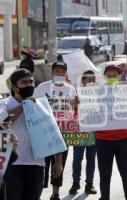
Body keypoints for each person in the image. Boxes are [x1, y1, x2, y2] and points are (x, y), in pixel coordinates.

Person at [3, 69, 63, 200]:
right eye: (24, 82)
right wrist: (24, 105)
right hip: (12, 166)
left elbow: (53, 133)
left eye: (31, 81)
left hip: (37, 166)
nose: (29, 85)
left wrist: (58, 162)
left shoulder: (41, 105)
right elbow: (3, 122)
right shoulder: (5, 104)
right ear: (14, 87)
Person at [34, 61, 77, 200]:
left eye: (62, 71)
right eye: (57, 71)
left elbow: (74, 109)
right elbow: (33, 105)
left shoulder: (70, 89)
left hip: (62, 132)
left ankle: (55, 193)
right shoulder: (42, 87)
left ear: (66, 73)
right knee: (42, 164)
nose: (60, 74)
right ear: (52, 72)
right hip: (44, 131)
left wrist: (76, 104)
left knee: (59, 164)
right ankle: (38, 192)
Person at [95, 65, 127, 200]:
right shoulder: (95, 92)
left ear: (119, 76)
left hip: (124, 139)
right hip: (103, 140)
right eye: (109, 74)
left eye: (115, 74)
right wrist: (80, 102)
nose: (112, 76)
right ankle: (104, 197)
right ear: (104, 76)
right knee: (104, 174)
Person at [69, 70, 97, 195]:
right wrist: (76, 101)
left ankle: (89, 184)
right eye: (88, 79)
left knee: (91, 158)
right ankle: (75, 183)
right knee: (77, 158)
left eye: (93, 79)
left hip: (93, 131)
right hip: (79, 130)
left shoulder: (98, 94)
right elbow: (69, 106)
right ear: (83, 81)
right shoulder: (76, 92)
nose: (90, 81)